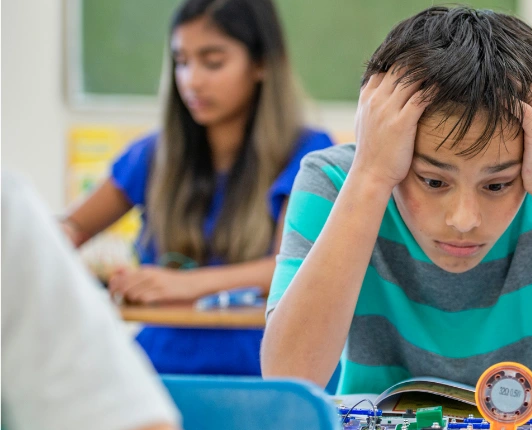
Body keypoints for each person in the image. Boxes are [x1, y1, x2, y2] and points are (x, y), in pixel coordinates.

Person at [262, 6, 532, 410]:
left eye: (496, 184)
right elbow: (287, 382)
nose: (464, 220)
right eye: (434, 181)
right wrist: (370, 175)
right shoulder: (339, 185)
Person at [60, 0, 333, 375]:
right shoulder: (151, 155)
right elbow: (71, 228)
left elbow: (293, 269)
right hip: (158, 372)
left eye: (213, 61)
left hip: (261, 374)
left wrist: (181, 285)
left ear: (261, 63)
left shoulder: (309, 153)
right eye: (181, 62)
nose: (192, 80)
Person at [2, 173, 181, 430]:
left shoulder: (8, 207)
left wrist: (188, 284)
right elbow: (72, 229)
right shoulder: (151, 156)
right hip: (154, 357)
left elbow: (136, 420)